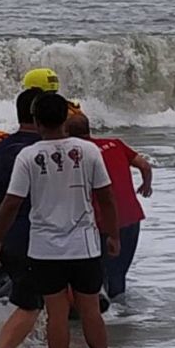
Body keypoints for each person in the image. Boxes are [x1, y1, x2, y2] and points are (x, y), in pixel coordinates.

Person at [0, 93, 119, 348]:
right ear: (65, 119)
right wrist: (113, 235)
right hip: (84, 245)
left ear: (36, 121)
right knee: (90, 311)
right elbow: (106, 196)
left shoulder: (28, 155)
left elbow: (11, 203)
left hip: (45, 249)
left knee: (56, 315)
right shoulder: (88, 151)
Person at [0, 87, 45, 348]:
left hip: (6, 239)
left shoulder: (0, 148)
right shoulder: (44, 150)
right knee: (32, 304)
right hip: (35, 238)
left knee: (40, 298)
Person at [65, 113, 153, 301]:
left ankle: (106, 319)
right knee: (118, 274)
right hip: (131, 217)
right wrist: (146, 185)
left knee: (98, 276)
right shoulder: (115, 144)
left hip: (103, 221)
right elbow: (144, 166)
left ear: (67, 133)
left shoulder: (76, 154)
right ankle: (122, 319)